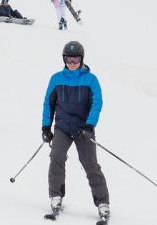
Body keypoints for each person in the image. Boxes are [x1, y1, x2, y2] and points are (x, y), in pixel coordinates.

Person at [41, 41, 109, 222]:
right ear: (64, 59)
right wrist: (46, 127)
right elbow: (48, 103)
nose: (72, 63)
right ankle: (56, 196)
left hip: (82, 129)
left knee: (90, 164)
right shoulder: (56, 78)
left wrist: (89, 126)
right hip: (63, 127)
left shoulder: (91, 79)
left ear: (82, 59)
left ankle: (103, 203)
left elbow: (97, 104)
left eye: (75, 60)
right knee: (56, 157)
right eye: (68, 60)